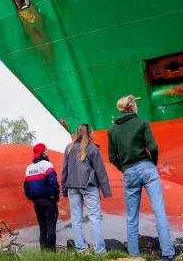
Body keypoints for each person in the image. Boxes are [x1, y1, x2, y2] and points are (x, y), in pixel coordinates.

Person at [108, 95, 175, 261]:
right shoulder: (142, 122)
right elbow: (153, 147)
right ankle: (167, 254)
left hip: (129, 172)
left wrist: (124, 169)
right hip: (147, 168)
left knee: (131, 217)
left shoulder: (111, 131)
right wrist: (152, 164)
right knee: (159, 212)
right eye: (136, 106)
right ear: (131, 108)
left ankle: (134, 256)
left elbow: (112, 157)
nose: (137, 108)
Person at [62, 124, 112, 254]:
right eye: (92, 132)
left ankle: (81, 249)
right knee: (94, 217)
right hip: (89, 186)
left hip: (72, 186)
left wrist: (64, 188)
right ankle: (100, 251)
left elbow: (65, 170)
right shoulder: (92, 148)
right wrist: (106, 191)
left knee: (76, 219)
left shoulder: (69, 148)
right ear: (89, 133)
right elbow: (100, 170)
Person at [23, 143, 60, 251]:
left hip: (37, 202)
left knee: (43, 229)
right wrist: (55, 196)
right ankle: (52, 254)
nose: (48, 151)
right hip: (49, 200)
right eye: (46, 149)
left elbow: (26, 185)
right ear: (43, 152)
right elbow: (53, 181)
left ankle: (44, 254)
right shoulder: (46, 165)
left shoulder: (28, 168)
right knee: (51, 228)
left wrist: (31, 197)